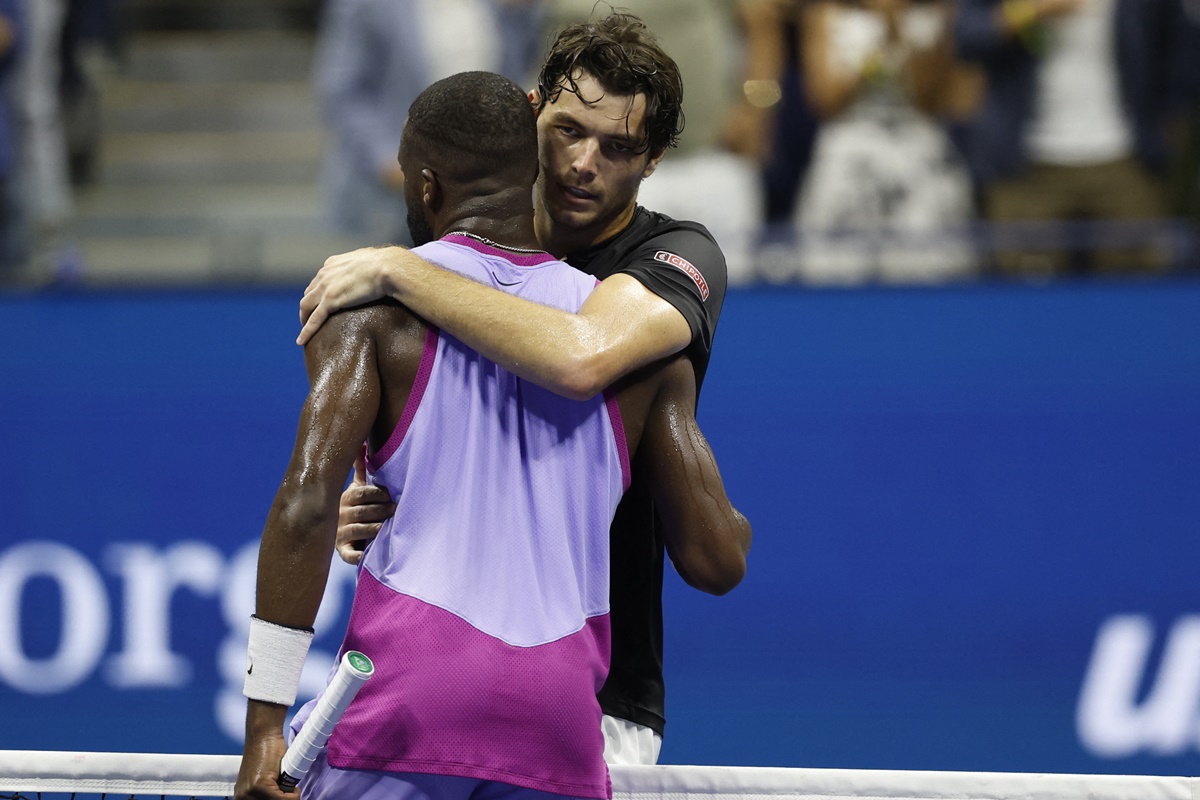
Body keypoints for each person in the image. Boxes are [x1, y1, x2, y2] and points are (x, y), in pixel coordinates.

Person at [233, 70, 749, 800]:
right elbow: (716, 557)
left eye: (617, 146)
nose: (582, 163)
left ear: (424, 187)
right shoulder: (643, 348)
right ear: (533, 144)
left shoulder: (368, 306)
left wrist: (264, 732)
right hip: (565, 722)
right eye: (570, 133)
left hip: (408, 710)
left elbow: (305, 507)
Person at [955, 0, 1185, 276]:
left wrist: (1171, 120)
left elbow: (1182, 47)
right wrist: (1032, 11)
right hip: (1025, 166)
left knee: (1137, 292)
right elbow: (966, 37)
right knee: (1026, 297)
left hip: (1127, 159)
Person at [789, 0, 978, 284]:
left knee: (928, 275)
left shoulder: (935, 14)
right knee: (834, 276)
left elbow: (932, 99)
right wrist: (874, 57)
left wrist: (896, 30)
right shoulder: (827, 14)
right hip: (849, 154)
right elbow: (826, 102)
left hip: (918, 153)